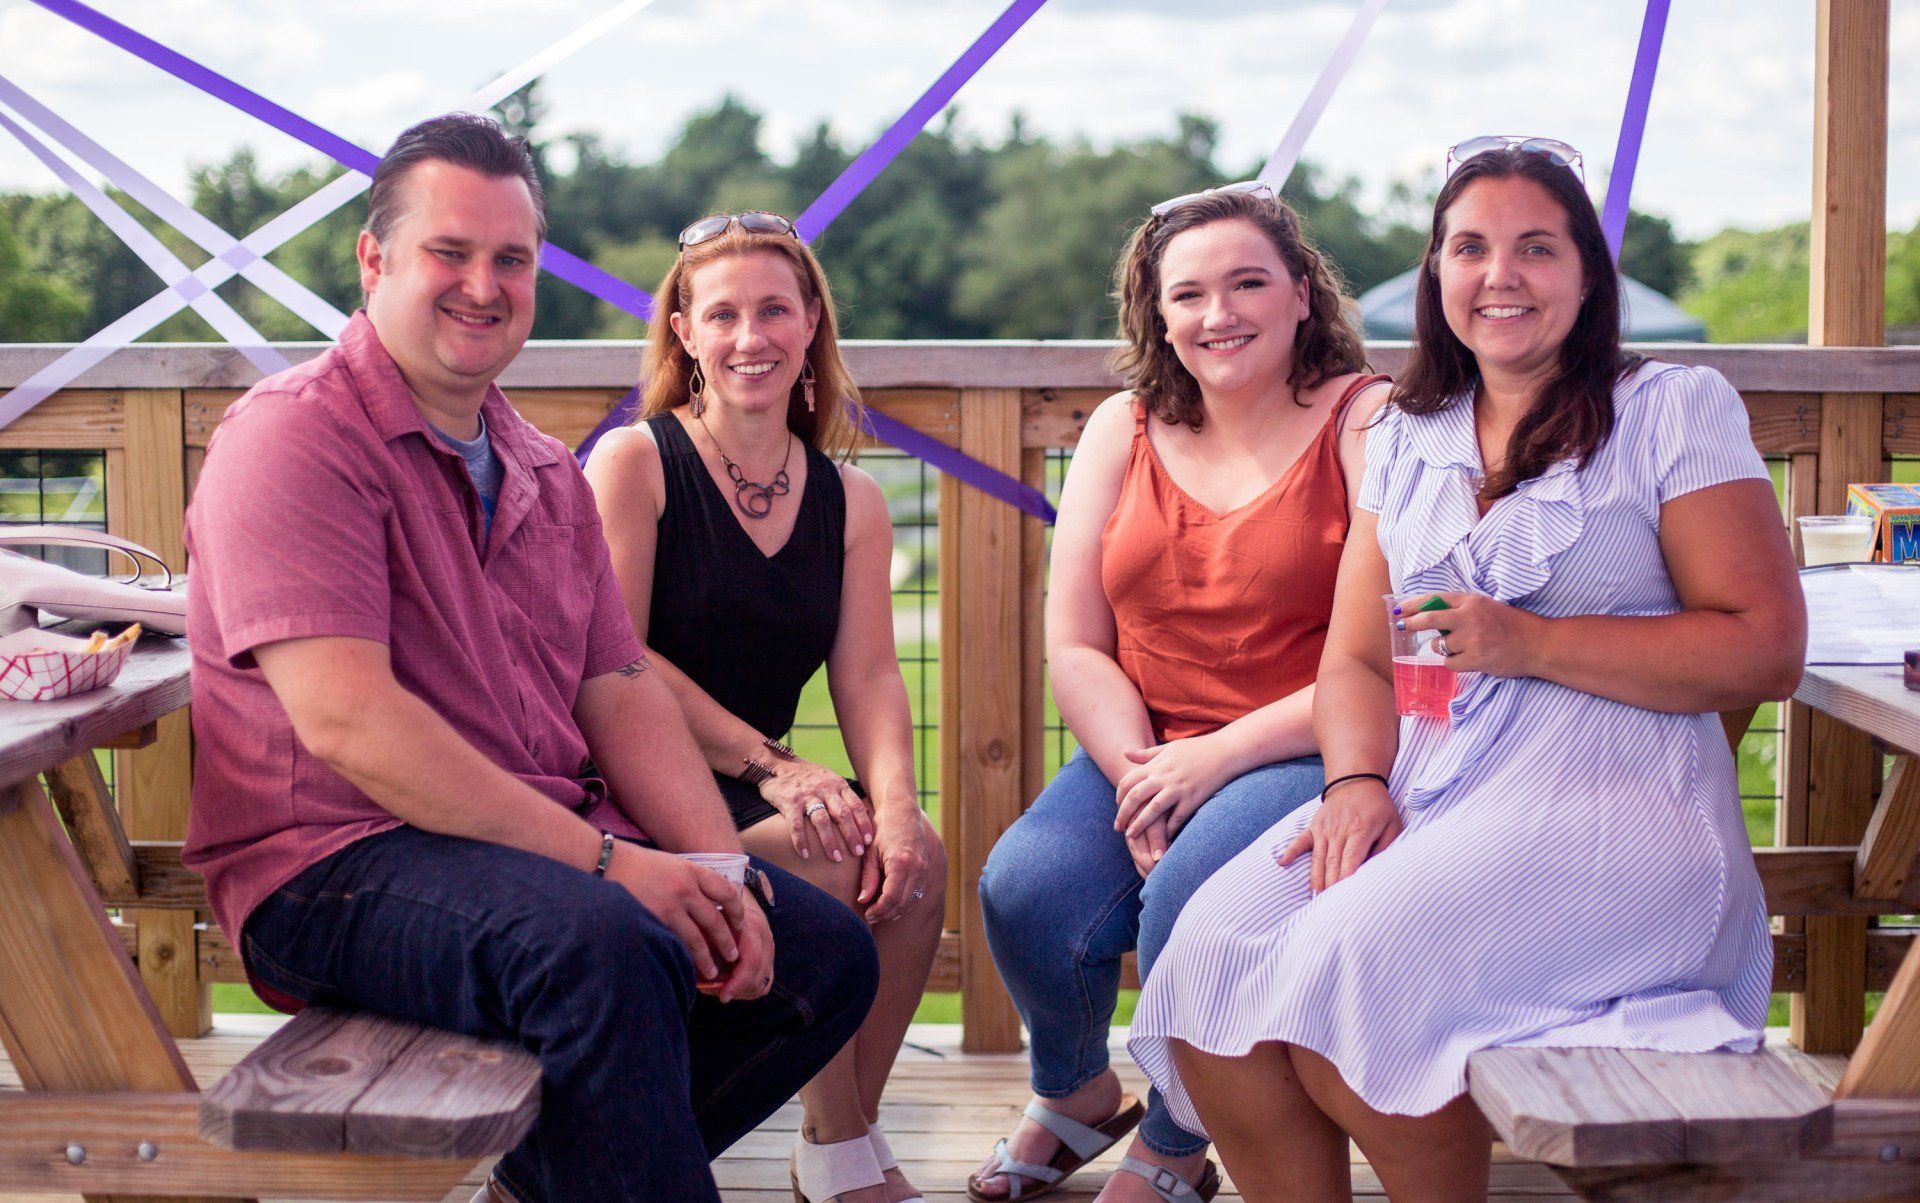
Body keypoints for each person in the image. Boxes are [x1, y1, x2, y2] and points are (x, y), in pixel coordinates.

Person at [182, 115, 877, 1203]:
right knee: (603, 948)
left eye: (511, 259)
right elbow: (348, 723)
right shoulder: (293, 438)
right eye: (449, 253)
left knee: (822, 953)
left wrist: (719, 872)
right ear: (375, 260)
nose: (483, 284)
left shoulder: (542, 467)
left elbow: (621, 684)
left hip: (517, 850)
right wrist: (613, 866)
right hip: (333, 860)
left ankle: (560, 1183)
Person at [1126, 137, 1807, 1202]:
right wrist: (1355, 782)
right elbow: (1357, 656)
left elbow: (1765, 647)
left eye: (1537, 248)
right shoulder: (1407, 431)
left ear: (1587, 271)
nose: (1501, 276)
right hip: (1439, 788)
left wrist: (1529, 641)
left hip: (1619, 812)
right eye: (1471, 248)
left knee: (1347, 969)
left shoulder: (1675, 408)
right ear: (1437, 272)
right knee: (1211, 952)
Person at [970, 184, 1390, 1203]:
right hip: (1146, 741)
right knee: (1023, 891)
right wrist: (1140, 771)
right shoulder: (1125, 425)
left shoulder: (1365, 418)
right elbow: (1073, 640)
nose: (1219, 314)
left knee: (1191, 897)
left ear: (1302, 294)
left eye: (1248, 283)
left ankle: (1174, 1136)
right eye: (1189, 293)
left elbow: (1373, 652)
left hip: (1306, 744)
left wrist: (1215, 759)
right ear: (1156, 313)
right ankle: (1072, 1092)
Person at [584, 210, 946, 1203]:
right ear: (684, 332)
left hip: (752, 775)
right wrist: (776, 766)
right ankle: (837, 1153)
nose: (752, 337)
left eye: (775, 310)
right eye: (725, 314)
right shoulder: (636, 463)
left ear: (812, 323)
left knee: (916, 863)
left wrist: (900, 802)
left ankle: (841, 1139)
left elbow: (869, 674)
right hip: (632, 775)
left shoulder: (850, 501)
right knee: (833, 851)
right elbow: (619, 657)